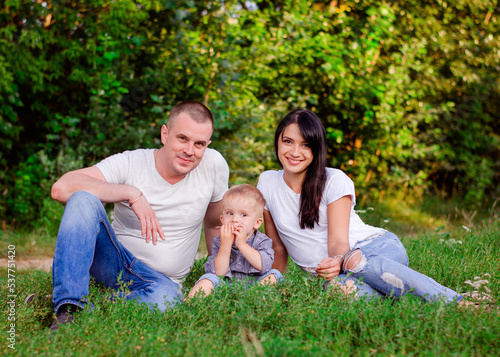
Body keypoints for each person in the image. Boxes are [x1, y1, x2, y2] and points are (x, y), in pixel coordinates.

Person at [48, 101, 229, 331]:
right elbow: (61, 188)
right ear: (165, 134)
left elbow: (214, 224)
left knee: (168, 302)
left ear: (208, 144)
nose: (190, 151)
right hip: (113, 263)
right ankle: (68, 311)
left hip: (160, 283)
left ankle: (85, 306)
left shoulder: (214, 165)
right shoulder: (132, 162)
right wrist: (130, 193)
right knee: (83, 199)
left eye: (199, 144)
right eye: (182, 138)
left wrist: (218, 276)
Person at [257, 108, 466, 304]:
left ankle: (456, 302)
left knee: (353, 262)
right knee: (339, 291)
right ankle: (396, 296)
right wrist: (277, 281)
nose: (295, 152)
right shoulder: (267, 182)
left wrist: (338, 261)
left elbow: (339, 243)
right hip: (335, 273)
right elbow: (277, 246)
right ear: (278, 141)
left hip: (374, 249)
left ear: (316, 148)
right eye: (288, 141)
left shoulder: (334, 179)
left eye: (305, 145)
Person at [188, 184, 282, 298]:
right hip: (225, 287)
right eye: (229, 213)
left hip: (254, 285)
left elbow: (264, 266)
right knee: (208, 279)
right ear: (222, 219)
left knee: (275, 275)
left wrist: (242, 245)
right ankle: (189, 304)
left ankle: (252, 298)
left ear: (257, 223)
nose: (235, 220)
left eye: (244, 215)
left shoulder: (262, 241)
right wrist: (225, 246)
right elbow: (218, 272)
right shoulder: (220, 241)